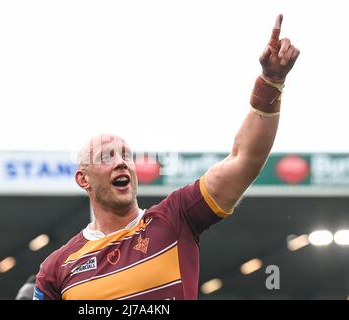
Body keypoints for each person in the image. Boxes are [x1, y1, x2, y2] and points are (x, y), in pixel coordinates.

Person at [34, 14, 300, 300]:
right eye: (107, 155)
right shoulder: (56, 268)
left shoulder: (176, 217)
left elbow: (243, 160)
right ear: (82, 179)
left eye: (126, 154)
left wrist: (271, 82)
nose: (122, 161)